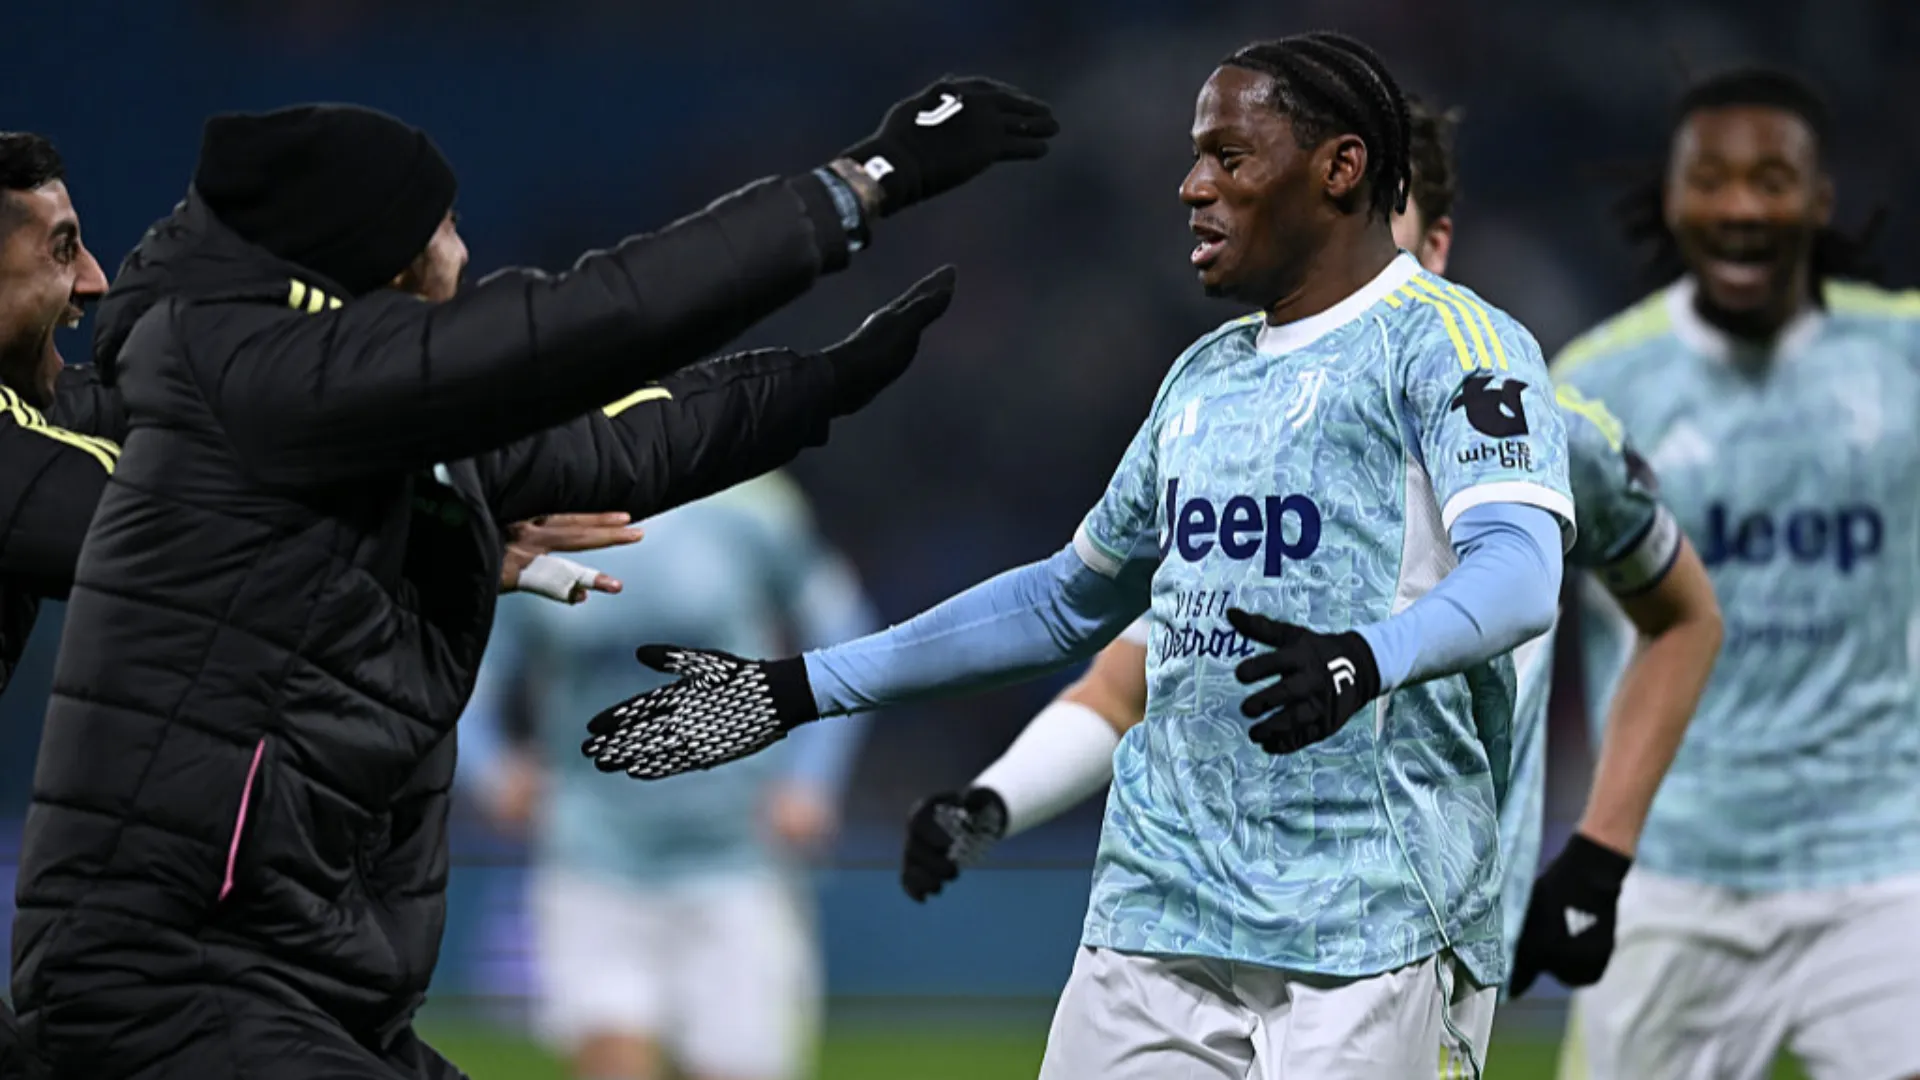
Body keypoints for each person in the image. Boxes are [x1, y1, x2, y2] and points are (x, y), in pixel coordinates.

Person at [12, 78, 1057, 1080]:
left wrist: (824, 384)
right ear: (384, 258)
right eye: (444, 226)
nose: (464, 253)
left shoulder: (370, 421)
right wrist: (864, 182)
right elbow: (581, 324)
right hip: (177, 975)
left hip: (300, 982)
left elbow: (623, 441)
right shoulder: (266, 375)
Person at [587, 34, 1575, 1078]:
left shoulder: (1455, 346)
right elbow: (1067, 601)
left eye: (1230, 157)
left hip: (1370, 921)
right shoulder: (1203, 377)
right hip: (1158, 913)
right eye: (1194, 156)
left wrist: (1361, 659)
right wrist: (798, 688)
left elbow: (1521, 573)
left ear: (1339, 168)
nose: (1192, 186)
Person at [894, 98, 1725, 1006]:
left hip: (1409, 944)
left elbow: (1683, 618)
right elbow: (1125, 686)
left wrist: (1600, 854)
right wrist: (994, 802)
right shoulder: (1238, 445)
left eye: (1371, 224)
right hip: (1208, 936)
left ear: (1435, 246)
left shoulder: (1540, 439)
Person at [0, 129, 688, 1079]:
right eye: (61, 248)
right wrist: (430, 530)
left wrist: (439, 506)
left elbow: (217, 464)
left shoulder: (59, 419)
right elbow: (187, 531)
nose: (93, 283)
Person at [1549, 68, 1920, 1080]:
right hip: (1673, 867)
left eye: (1772, 180)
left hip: (1882, 864)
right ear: (1672, 198)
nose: (1742, 207)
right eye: (1711, 180)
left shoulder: (1903, 357)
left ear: (1820, 199)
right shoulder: (1594, 388)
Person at [462, 469, 877, 1080]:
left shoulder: (749, 503)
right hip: (592, 856)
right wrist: (491, 772)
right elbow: (468, 669)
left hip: (738, 856)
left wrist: (811, 778)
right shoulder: (539, 517)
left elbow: (845, 628)